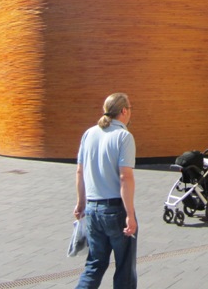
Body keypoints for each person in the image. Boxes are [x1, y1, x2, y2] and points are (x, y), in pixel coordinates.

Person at [74, 93, 137, 289]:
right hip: (115, 209)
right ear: (124, 111)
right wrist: (130, 214)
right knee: (124, 267)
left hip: (93, 209)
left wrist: (81, 203)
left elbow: (80, 171)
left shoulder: (89, 133)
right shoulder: (123, 136)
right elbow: (125, 176)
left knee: (95, 264)